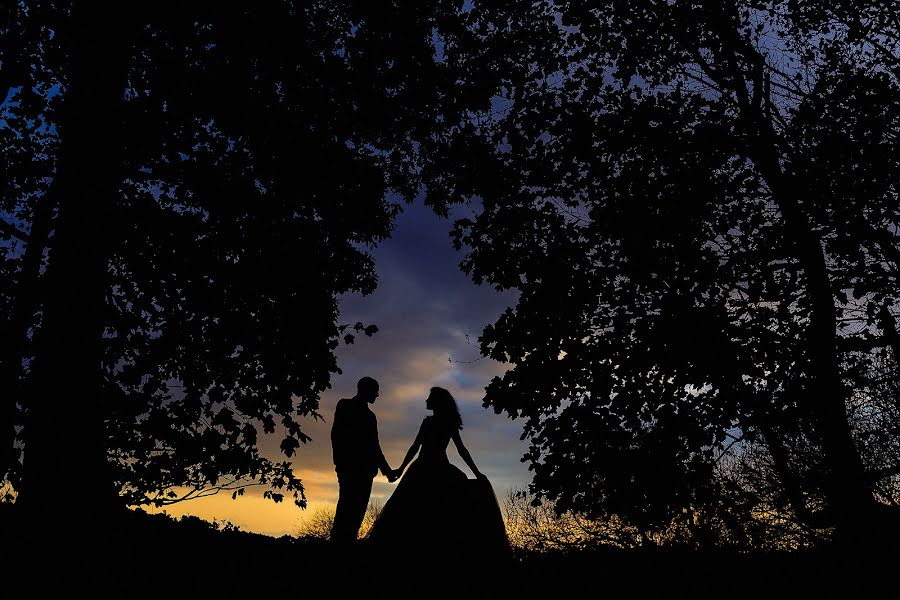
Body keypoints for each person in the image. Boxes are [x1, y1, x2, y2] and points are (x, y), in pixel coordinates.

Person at [366, 386, 509, 561]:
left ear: (436, 401)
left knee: (416, 510)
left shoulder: (433, 422)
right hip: (436, 468)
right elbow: (423, 447)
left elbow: (428, 448)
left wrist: (401, 470)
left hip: (424, 469)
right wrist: (401, 469)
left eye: (429, 398)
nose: (426, 401)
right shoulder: (442, 422)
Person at [330, 376, 397, 544]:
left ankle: (347, 543)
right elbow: (336, 434)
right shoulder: (345, 405)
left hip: (366, 472)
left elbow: (375, 446)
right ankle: (338, 544)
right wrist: (340, 462)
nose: (378, 395)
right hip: (349, 468)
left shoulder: (370, 416)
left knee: (358, 510)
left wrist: (387, 471)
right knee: (346, 507)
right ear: (365, 390)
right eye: (375, 391)